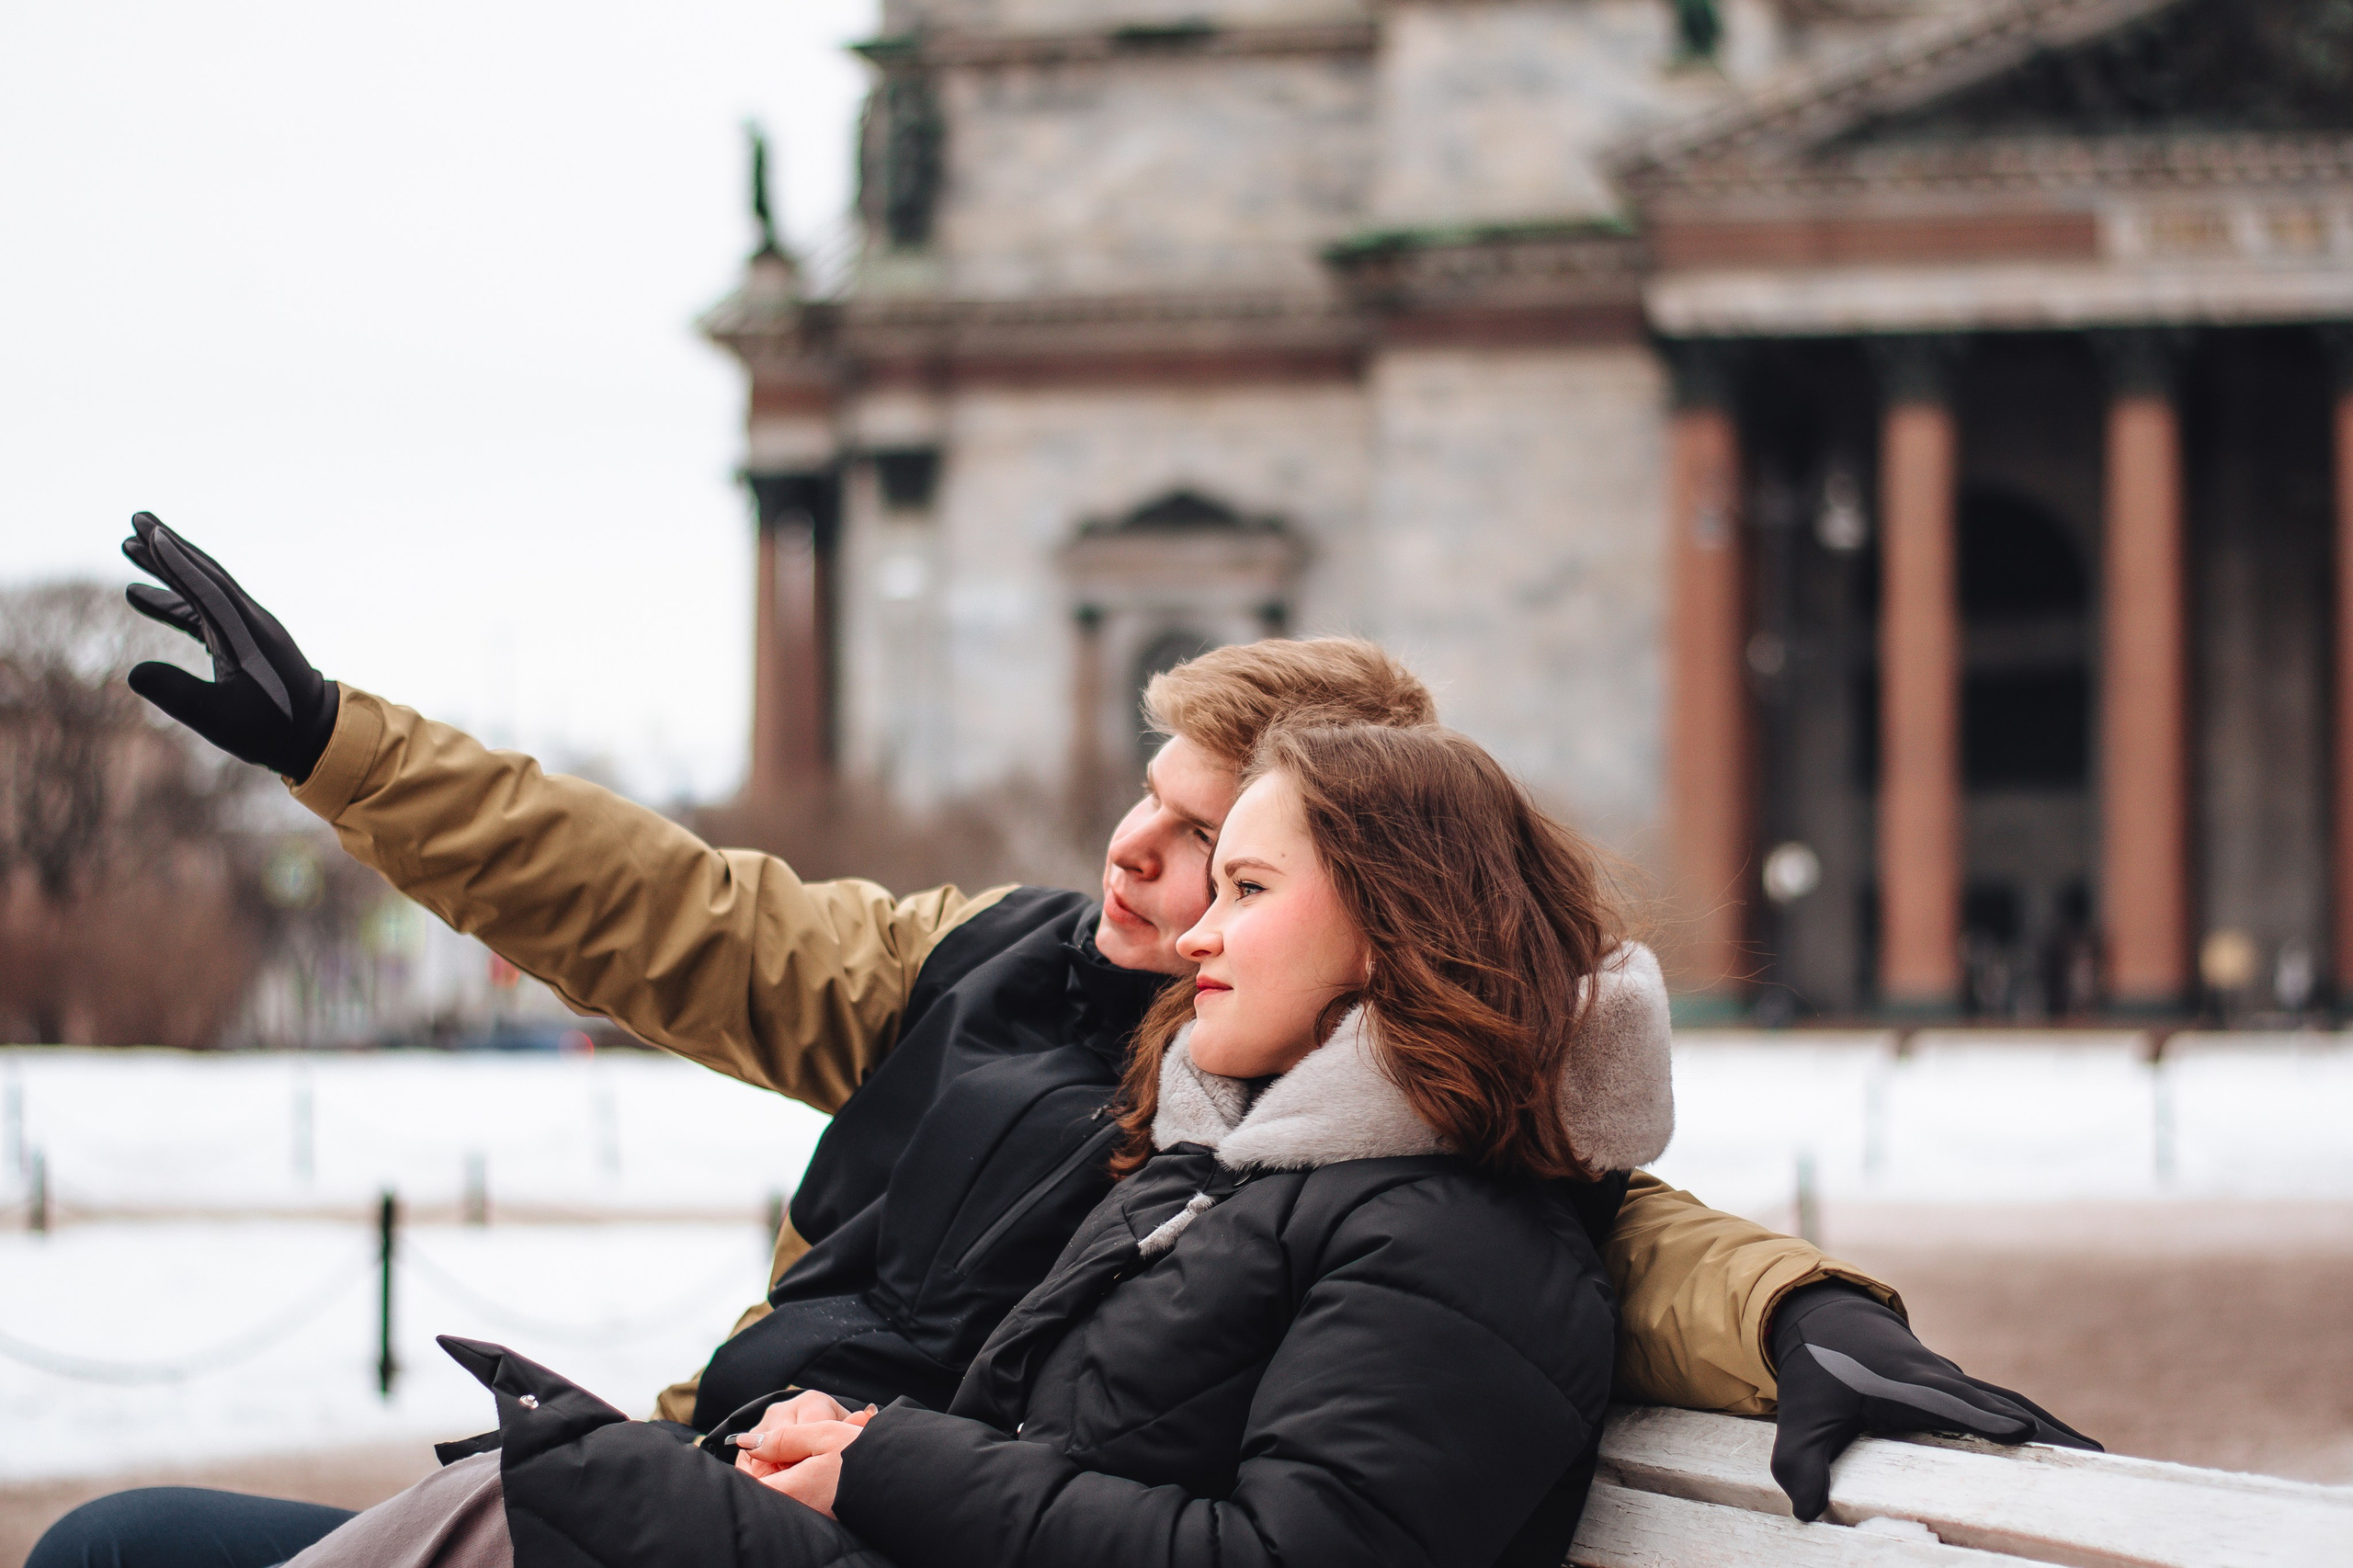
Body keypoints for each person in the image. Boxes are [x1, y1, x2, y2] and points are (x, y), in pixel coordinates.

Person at [30, 516, 2091, 1568]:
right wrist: (337, 744)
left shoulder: (1305, 1122)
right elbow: (653, 906)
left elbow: (1572, 1209)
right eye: (1146, 789)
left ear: (1349, 900)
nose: (1134, 851)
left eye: (1212, 845)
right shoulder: (995, 967)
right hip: (722, 1492)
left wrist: (1800, 1304)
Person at [290, 719, 1663, 1568]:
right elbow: (690, 916)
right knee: (529, 1490)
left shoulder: (1451, 1229)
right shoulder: (1223, 1161)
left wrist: (883, 1457)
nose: (1192, 931)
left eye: (1238, 882)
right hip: (835, 1505)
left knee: (531, 1503)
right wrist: (858, 1443)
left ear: (1391, 920)